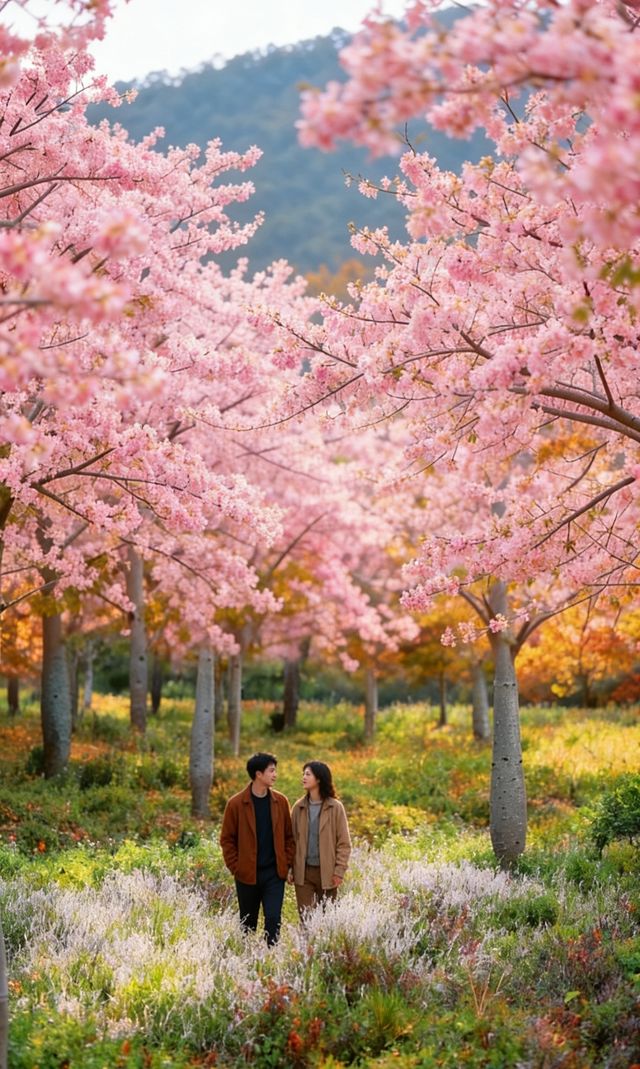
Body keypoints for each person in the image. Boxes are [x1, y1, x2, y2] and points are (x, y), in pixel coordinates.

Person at [220, 751, 294, 946]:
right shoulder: (235, 804)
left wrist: (286, 864)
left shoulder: (281, 802)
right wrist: (236, 867)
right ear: (258, 774)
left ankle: (271, 958)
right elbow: (227, 839)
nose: (275, 774)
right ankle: (247, 961)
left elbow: (289, 836)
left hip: (274, 874)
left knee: (273, 919)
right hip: (247, 874)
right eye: (271, 771)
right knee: (248, 924)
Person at [289, 760, 351, 918]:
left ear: (319, 779)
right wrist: (289, 868)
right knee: (306, 919)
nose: (303, 777)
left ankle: (324, 944)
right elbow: (290, 841)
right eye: (303, 774)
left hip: (328, 872)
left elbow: (344, 843)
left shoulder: (336, 808)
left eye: (308, 774)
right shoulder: (298, 807)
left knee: (327, 919)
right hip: (303, 873)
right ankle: (305, 944)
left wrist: (339, 871)